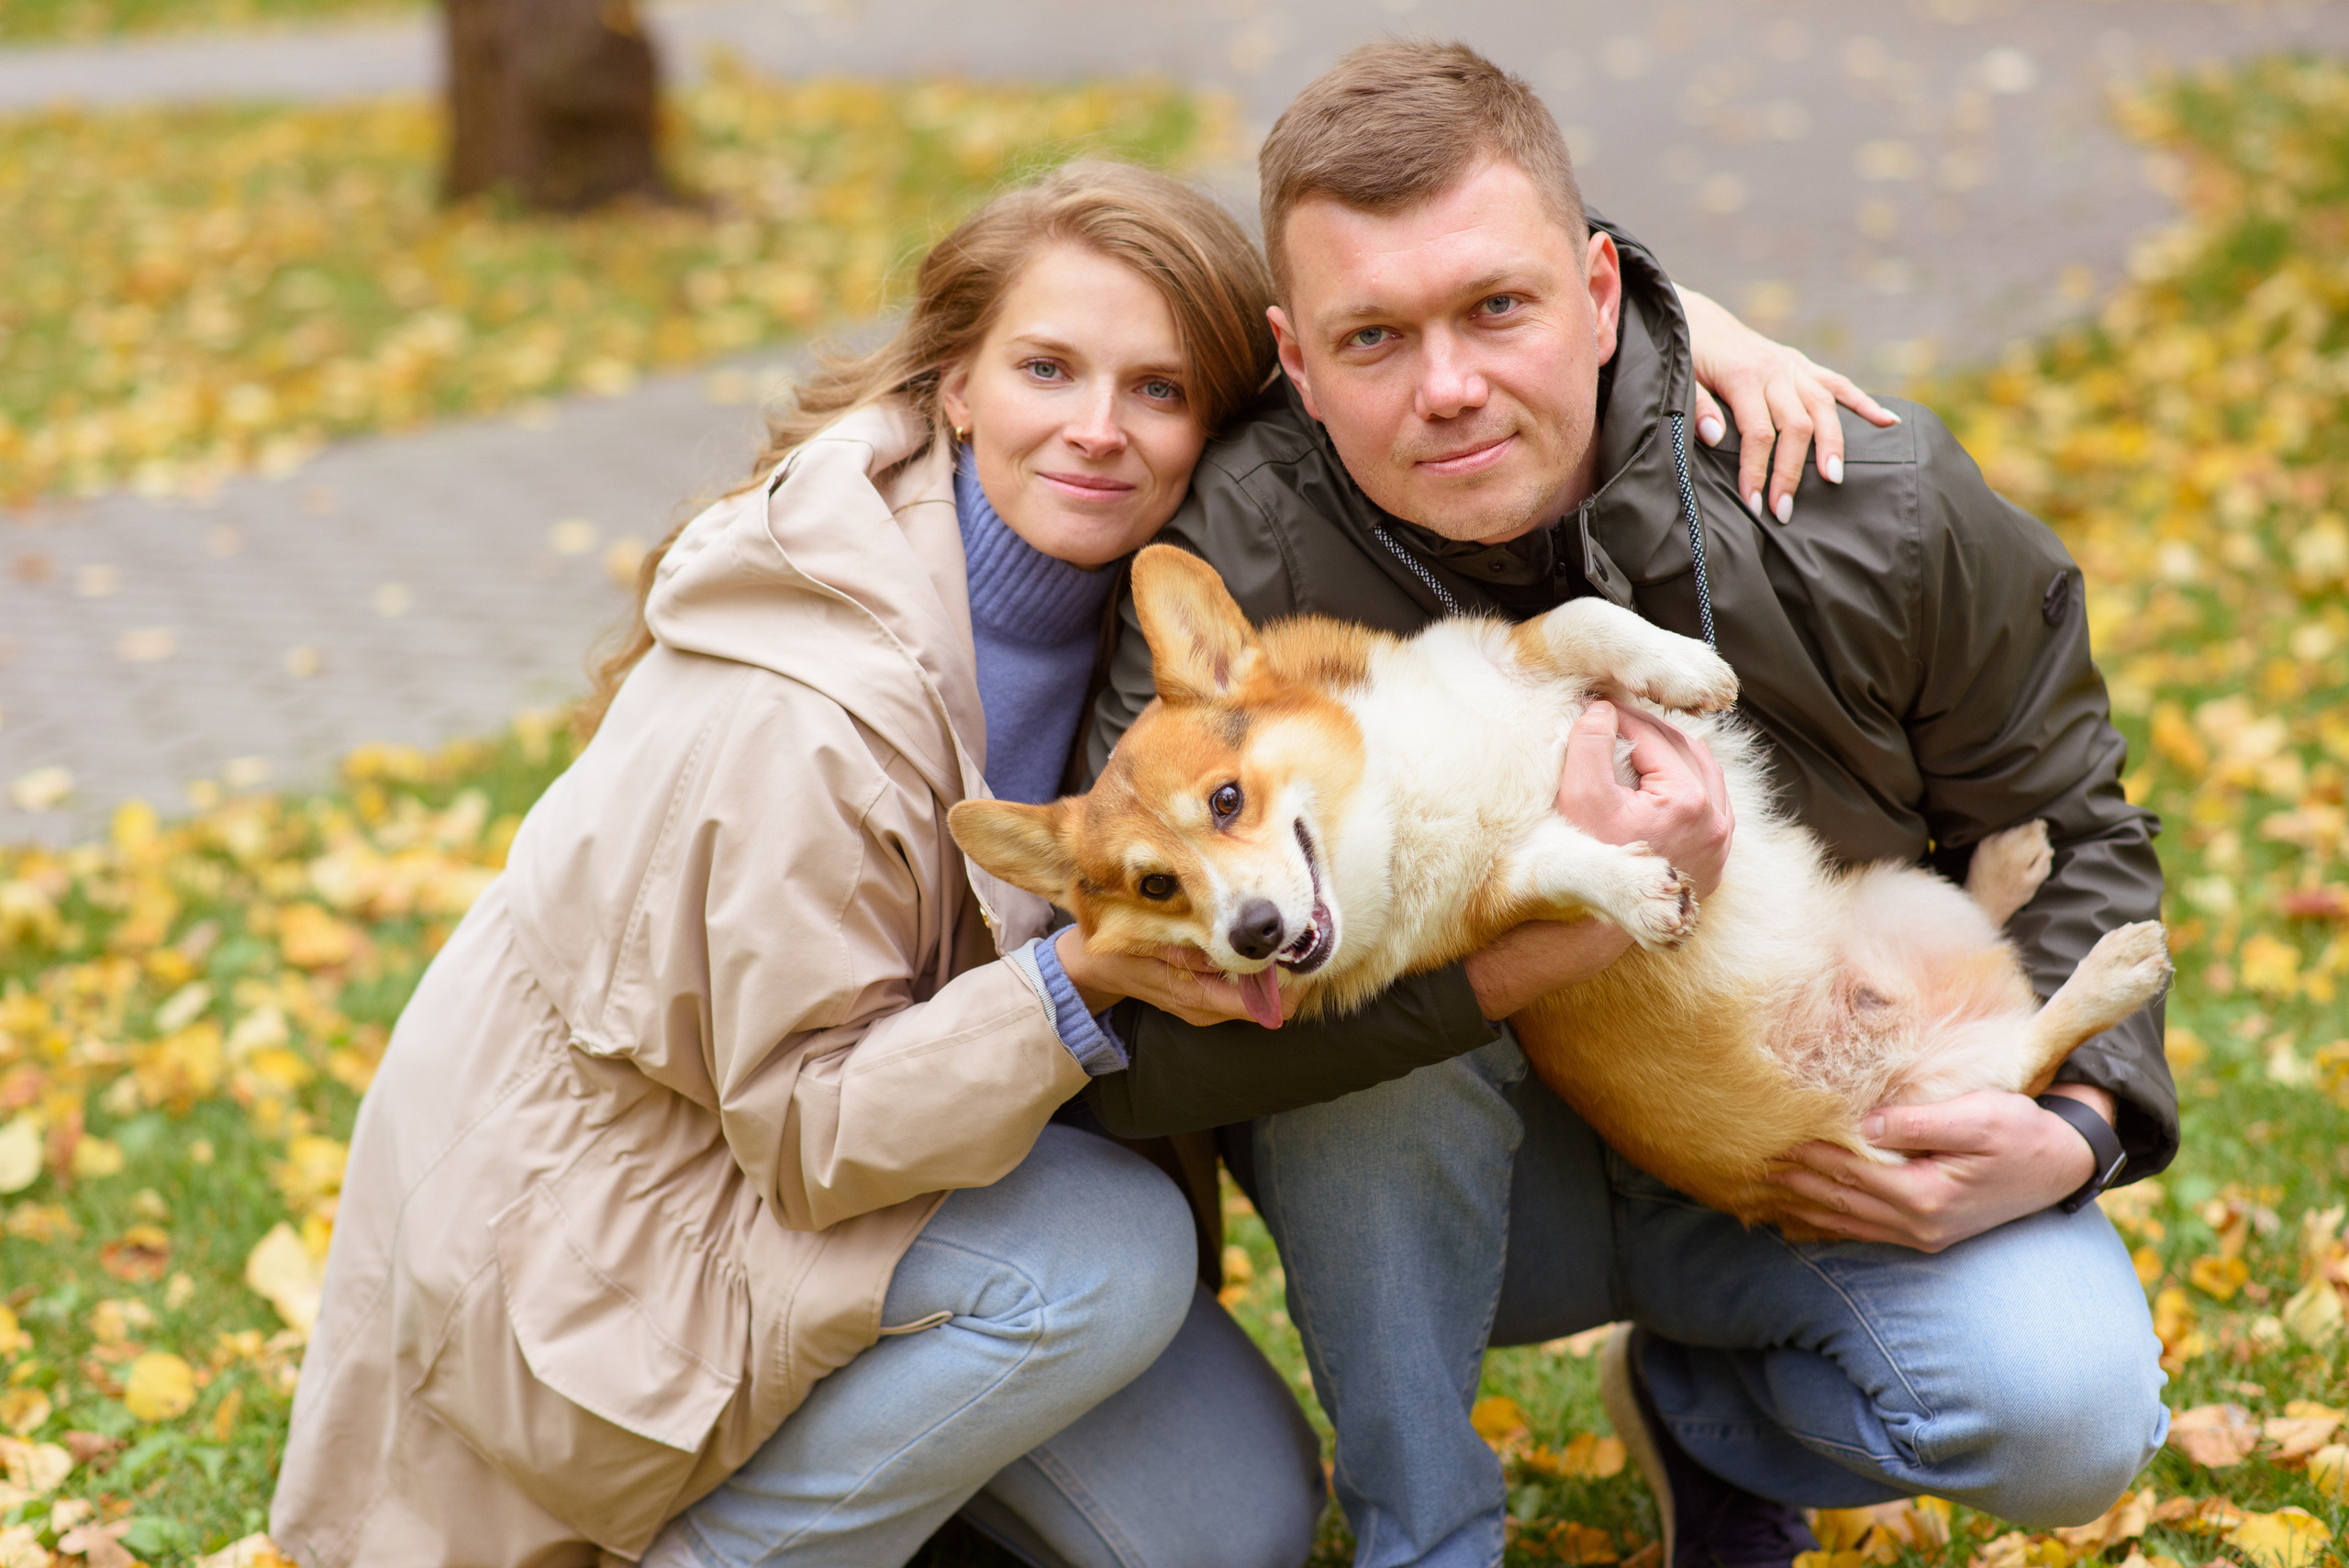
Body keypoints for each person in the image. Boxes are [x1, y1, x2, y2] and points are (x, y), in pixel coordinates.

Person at [268, 154, 1847, 1568]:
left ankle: (893, 1480)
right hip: (619, 1251)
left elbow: (1390, 338)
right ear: (955, 382)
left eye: (1158, 390)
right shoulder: (803, 708)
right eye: (1046, 368)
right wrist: (1071, 985)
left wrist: (1667, 333)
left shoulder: (1155, 599)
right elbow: (812, 1130)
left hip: (856, 1203)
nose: (1100, 426)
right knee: (1108, 1255)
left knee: (1224, 1525)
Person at [1081, 42, 2174, 1568]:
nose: (1449, 385)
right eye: (1375, 336)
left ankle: (1712, 1417)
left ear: (1604, 291)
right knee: (1317, 982)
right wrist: (1559, 933)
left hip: (1798, 1124)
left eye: (1499, 307)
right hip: (1475, 1209)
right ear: (1295, 360)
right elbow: (1134, 1032)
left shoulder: (1868, 492)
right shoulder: (1227, 571)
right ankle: (1425, 1531)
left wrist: (2083, 1116)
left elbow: (2070, 812)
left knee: (2069, 1409)